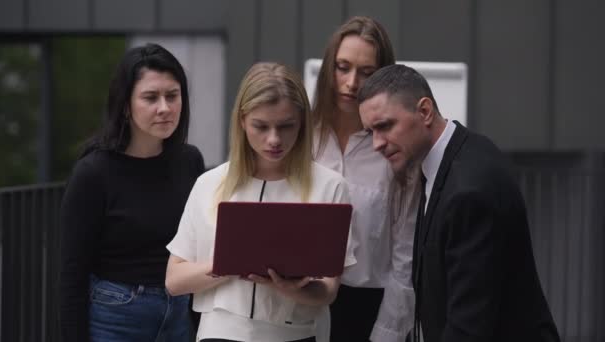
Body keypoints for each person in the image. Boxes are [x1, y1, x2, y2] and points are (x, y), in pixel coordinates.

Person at [357, 64, 561, 342]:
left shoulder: (469, 190)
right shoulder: (453, 156)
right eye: (370, 132)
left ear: (425, 111)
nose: (377, 144)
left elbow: (468, 326)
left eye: (384, 126)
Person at [164, 62, 355, 342]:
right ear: (242, 120)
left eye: (286, 126)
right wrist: (229, 262)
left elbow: (328, 290)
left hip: (296, 334)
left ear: (302, 122)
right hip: (220, 332)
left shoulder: (331, 186)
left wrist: (290, 287)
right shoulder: (210, 183)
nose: (274, 139)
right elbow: (174, 281)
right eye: (261, 126)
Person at [59, 43, 205, 341]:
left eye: (172, 96)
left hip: (178, 311)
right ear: (126, 105)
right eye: (151, 97)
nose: (164, 107)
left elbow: (197, 249)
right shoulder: (93, 172)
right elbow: (72, 274)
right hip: (115, 316)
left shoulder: (190, 161)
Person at [311, 16, 419, 342]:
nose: (352, 82)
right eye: (343, 67)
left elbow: (405, 255)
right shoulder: (303, 139)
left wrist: (387, 332)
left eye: (366, 72)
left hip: (369, 307)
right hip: (302, 300)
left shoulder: (394, 149)